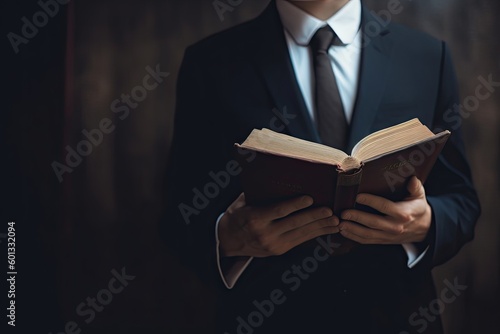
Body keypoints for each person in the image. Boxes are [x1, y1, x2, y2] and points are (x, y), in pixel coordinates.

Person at [163, 0, 480, 333]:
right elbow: (179, 215)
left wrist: (426, 224)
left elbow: (461, 199)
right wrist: (227, 238)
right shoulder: (210, 63)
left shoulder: (427, 56)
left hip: (397, 316)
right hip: (265, 319)